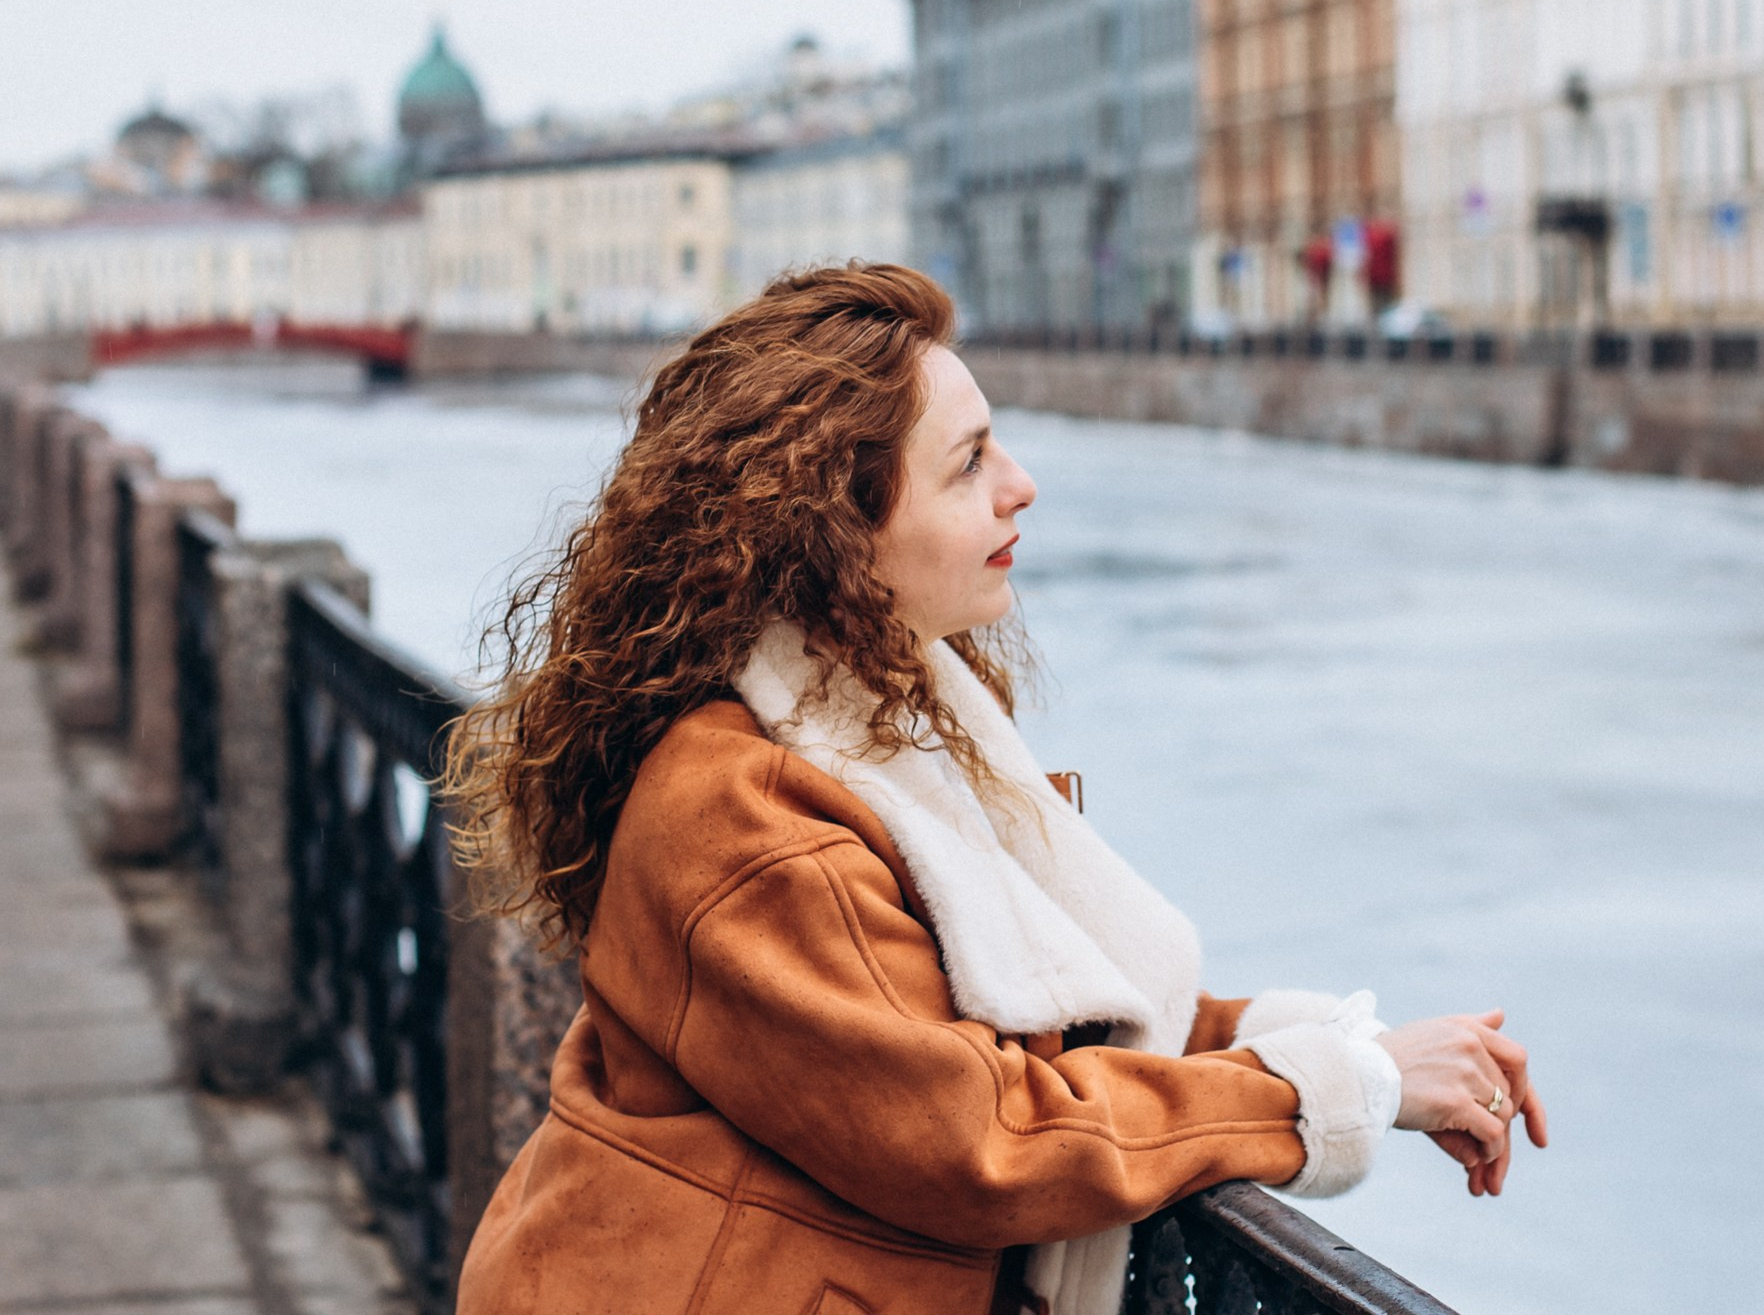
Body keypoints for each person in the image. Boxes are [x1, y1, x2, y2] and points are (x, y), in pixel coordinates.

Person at [444, 264, 1546, 1315]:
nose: (1021, 484)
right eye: (969, 463)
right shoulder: (749, 815)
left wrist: (1344, 1045)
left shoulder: (877, 719)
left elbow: (1024, 1024)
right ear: (835, 534)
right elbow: (986, 1134)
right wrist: (1338, 1087)